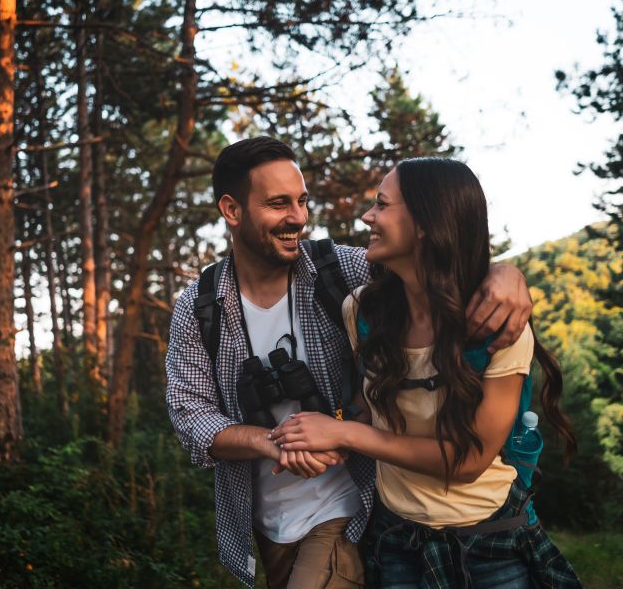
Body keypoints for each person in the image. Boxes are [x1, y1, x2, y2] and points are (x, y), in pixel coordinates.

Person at [165, 139, 533, 589]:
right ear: (232, 209)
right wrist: (271, 441)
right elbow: (189, 414)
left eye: (301, 201)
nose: (298, 218)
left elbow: (437, 259)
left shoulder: (341, 271)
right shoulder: (200, 307)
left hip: (346, 507)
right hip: (263, 520)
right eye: (278, 204)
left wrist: (505, 274)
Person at [270, 158, 582, 588]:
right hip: (398, 541)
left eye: (381, 205)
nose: (367, 216)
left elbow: (468, 461)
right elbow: (370, 411)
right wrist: (313, 436)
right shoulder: (362, 310)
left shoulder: (498, 325)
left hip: (491, 542)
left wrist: (344, 434)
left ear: (423, 224)